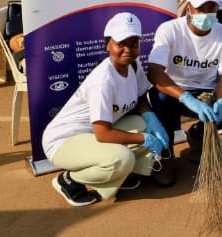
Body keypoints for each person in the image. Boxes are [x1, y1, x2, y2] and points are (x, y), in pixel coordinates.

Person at [41, 13, 172, 206]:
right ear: (107, 45)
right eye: (121, 43)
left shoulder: (133, 66)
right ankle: (69, 180)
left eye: (134, 43)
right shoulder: (103, 81)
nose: (128, 49)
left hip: (91, 135)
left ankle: (122, 176)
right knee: (122, 158)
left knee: (143, 124)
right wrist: (144, 139)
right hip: (63, 141)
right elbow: (103, 134)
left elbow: (141, 96)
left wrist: (151, 118)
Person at [147, 0, 222, 172]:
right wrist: (186, 98)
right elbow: (155, 72)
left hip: (207, 91)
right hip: (176, 89)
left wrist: (220, 100)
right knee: (160, 98)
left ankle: (199, 136)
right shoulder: (169, 29)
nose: (205, 14)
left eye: (211, 8)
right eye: (200, 8)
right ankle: (166, 155)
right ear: (188, 8)